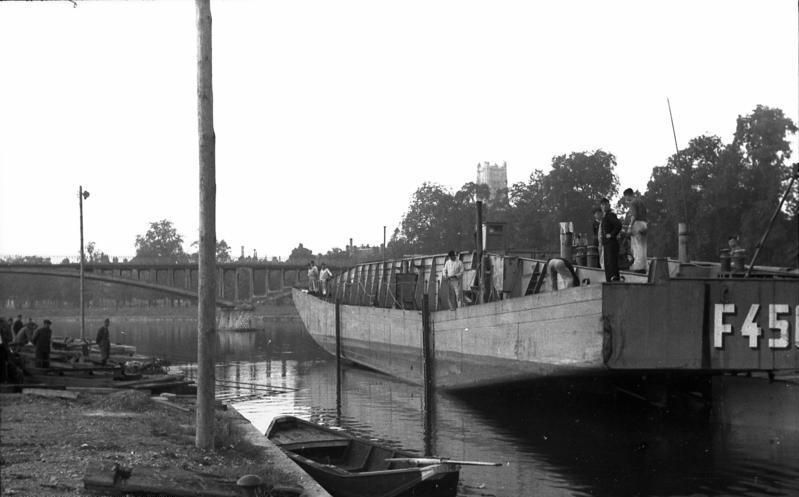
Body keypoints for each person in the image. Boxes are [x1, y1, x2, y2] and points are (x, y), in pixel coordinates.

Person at [623, 188, 648, 273]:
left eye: (625, 197)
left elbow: (634, 215)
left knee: (636, 246)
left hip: (637, 224)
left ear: (627, 195)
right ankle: (644, 266)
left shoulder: (633, 202)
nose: (625, 199)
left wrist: (630, 226)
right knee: (643, 246)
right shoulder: (641, 202)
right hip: (644, 224)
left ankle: (638, 267)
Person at [600, 198, 622, 282]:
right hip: (606, 244)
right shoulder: (605, 217)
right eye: (602, 205)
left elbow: (618, 225)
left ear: (609, 205)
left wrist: (612, 234)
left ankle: (614, 279)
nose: (604, 206)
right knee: (607, 264)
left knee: (612, 263)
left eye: (605, 204)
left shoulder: (610, 215)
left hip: (611, 244)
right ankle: (609, 280)